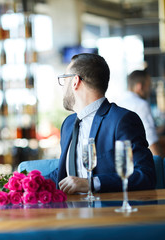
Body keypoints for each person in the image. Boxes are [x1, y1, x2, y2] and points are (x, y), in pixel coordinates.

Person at [46, 53, 156, 194]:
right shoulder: (68, 124)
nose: (62, 87)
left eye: (64, 79)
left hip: (107, 211)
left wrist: (91, 183)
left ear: (75, 81)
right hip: (68, 211)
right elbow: (65, 173)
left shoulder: (122, 120)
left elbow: (146, 176)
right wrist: (23, 183)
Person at [116, 70, 161, 156]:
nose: (150, 90)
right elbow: (151, 140)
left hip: (121, 158)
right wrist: (161, 164)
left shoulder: (118, 102)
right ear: (140, 87)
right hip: (139, 159)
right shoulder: (141, 104)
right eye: (149, 86)